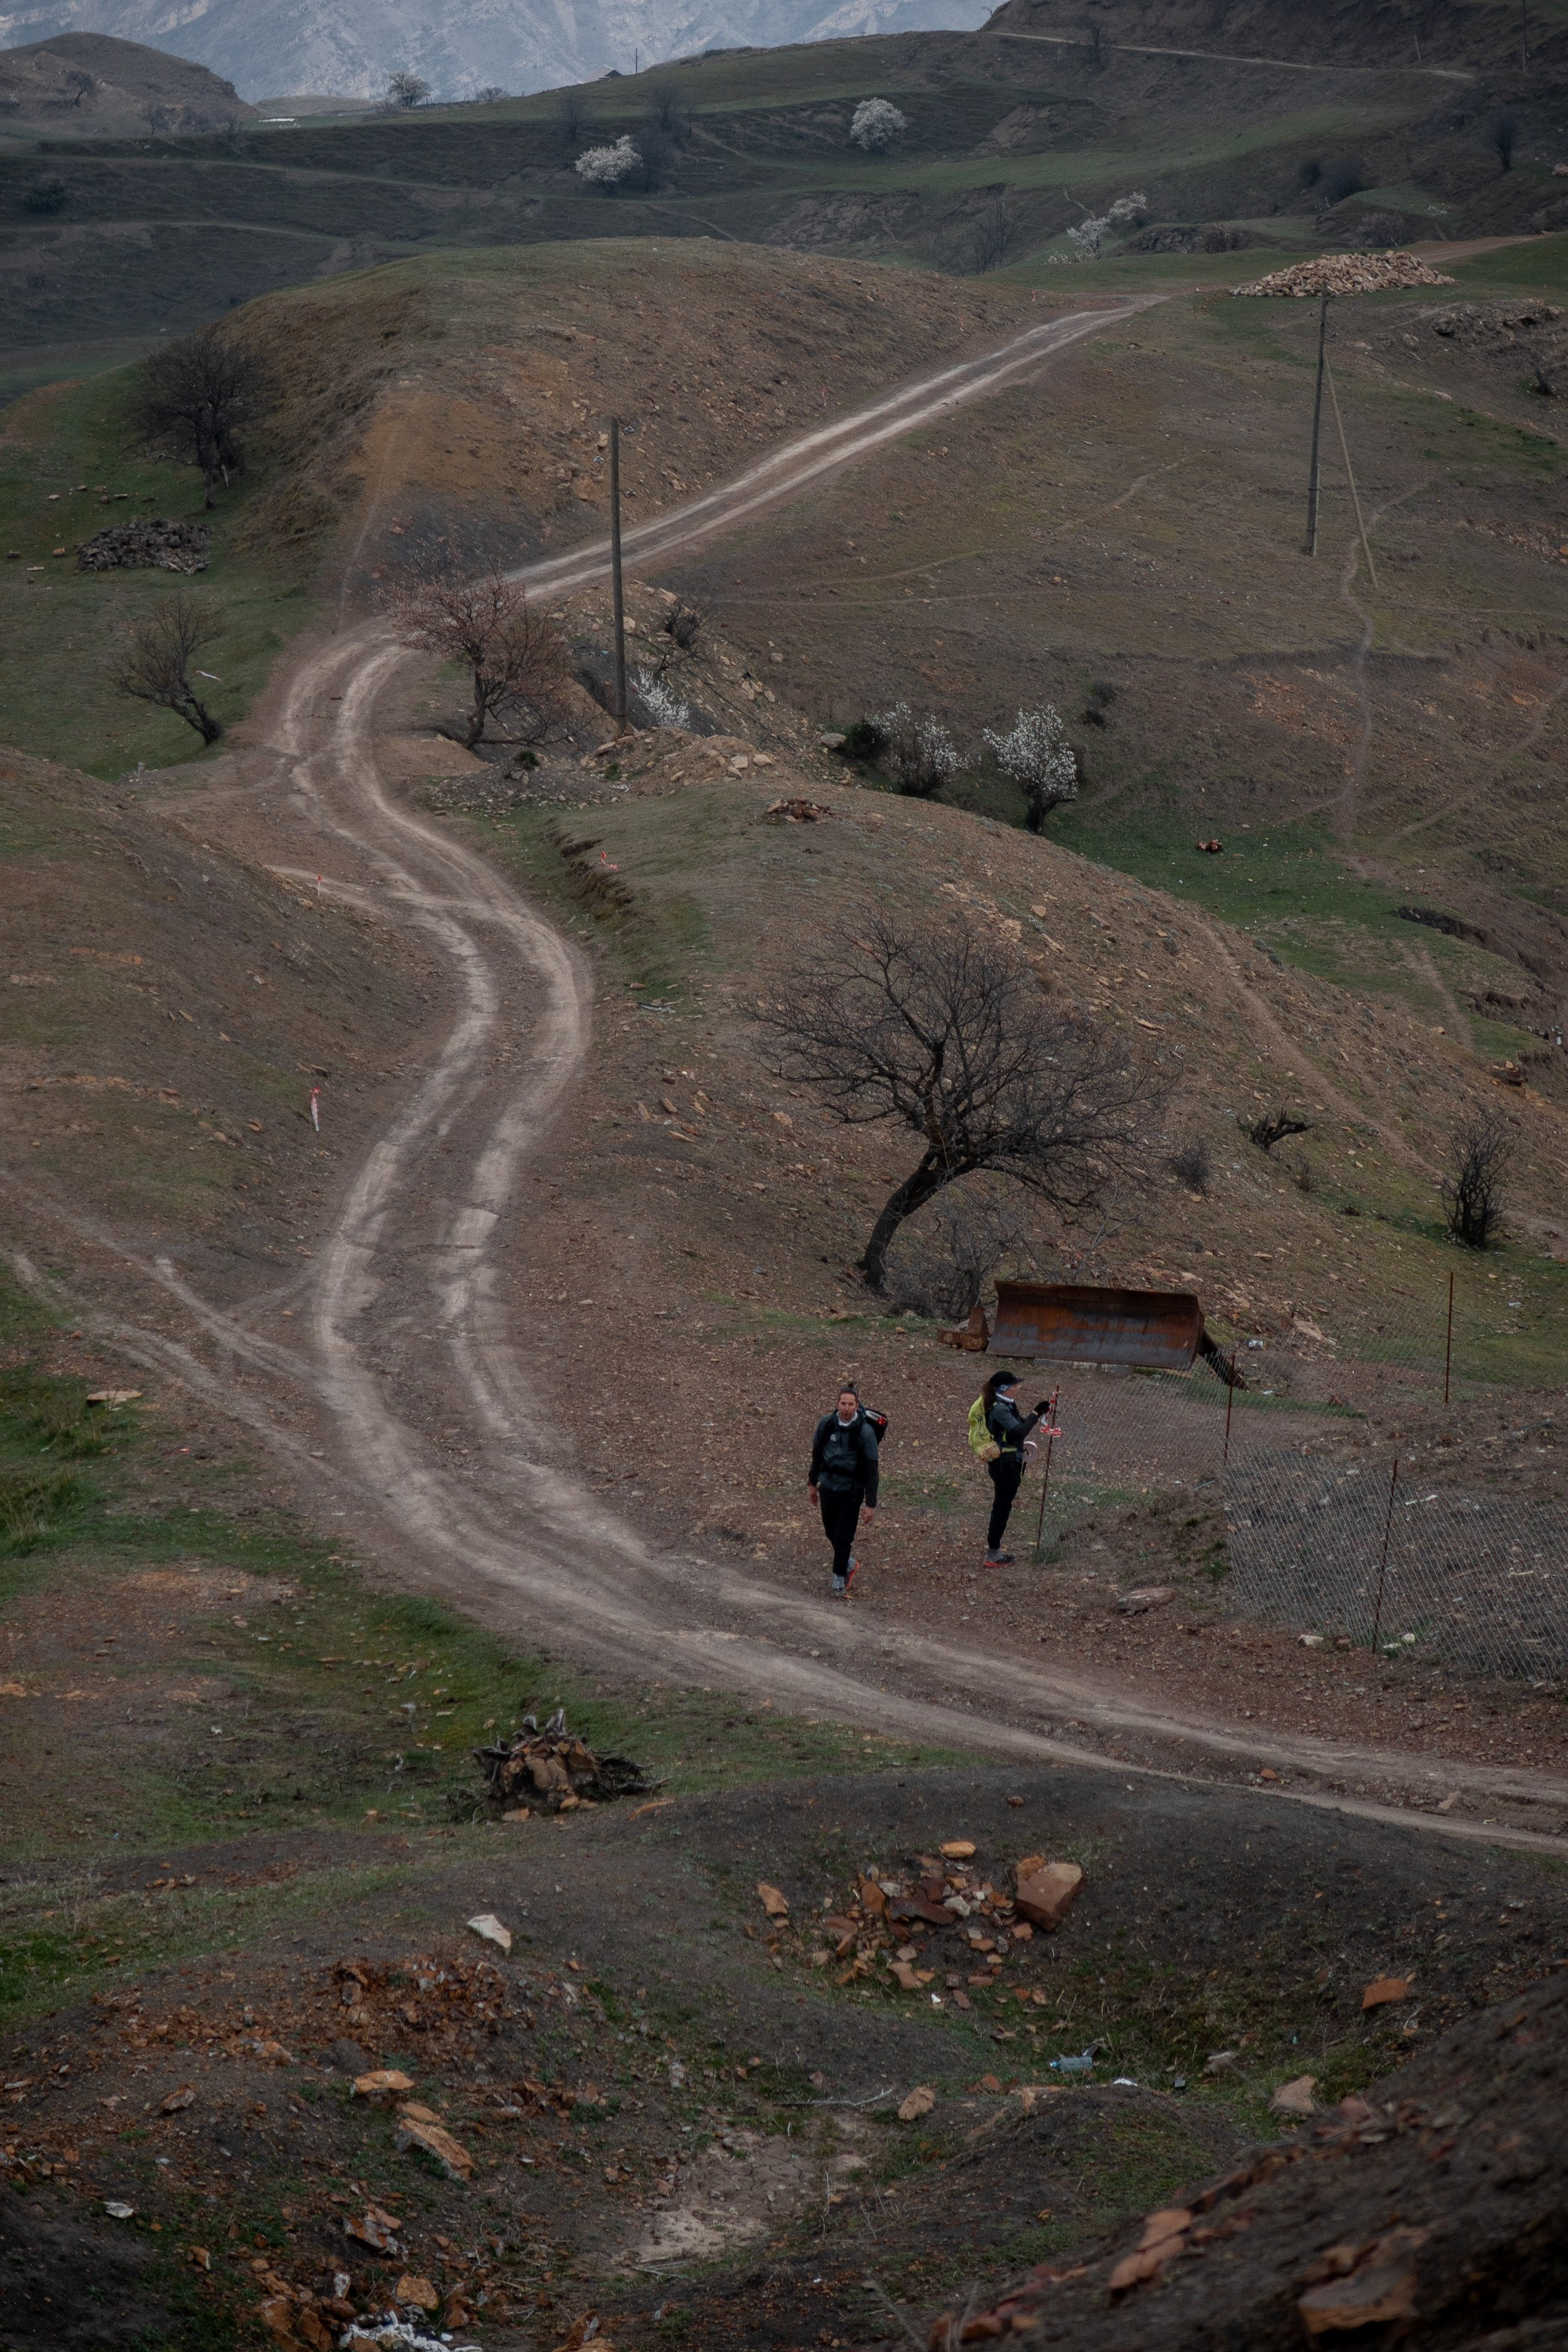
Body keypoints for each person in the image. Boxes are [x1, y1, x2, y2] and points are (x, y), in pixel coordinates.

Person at [807, 1385, 878, 1595]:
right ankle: (847, 1562)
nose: (847, 1408)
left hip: (851, 1491)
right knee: (830, 1531)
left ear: (857, 1406)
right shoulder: (826, 1425)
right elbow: (817, 1455)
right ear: (837, 1404)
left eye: (851, 1404)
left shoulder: (865, 1432)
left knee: (843, 1536)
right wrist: (812, 1483)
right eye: (843, 1403)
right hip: (828, 1486)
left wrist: (870, 1504)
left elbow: (872, 1470)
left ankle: (839, 1577)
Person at [979, 1369, 1051, 1566]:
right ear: (1004, 1389)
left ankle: (994, 1550)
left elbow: (1019, 1426)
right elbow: (1019, 1431)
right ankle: (993, 1554)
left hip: (1006, 1464)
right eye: (1014, 1386)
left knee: (1002, 1506)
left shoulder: (1006, 1406)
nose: (1018, 1388)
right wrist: (1036, 1412)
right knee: (1002, 1507)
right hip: (1005, 1466)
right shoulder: (1001, 1409)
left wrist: (1036, 1414)